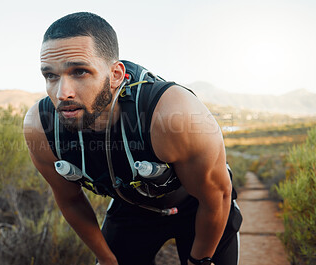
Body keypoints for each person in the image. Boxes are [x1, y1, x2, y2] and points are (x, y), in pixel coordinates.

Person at [23, 12, 242, 265]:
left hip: (199, 206)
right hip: (132, 209)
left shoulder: (174, 115)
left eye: (80, 71)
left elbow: (217, 195)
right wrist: (106, 260)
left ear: (116, 75)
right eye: (51, 76)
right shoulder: (41, 126)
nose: (62, 93)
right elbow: (70, 200)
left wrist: (199, 261)